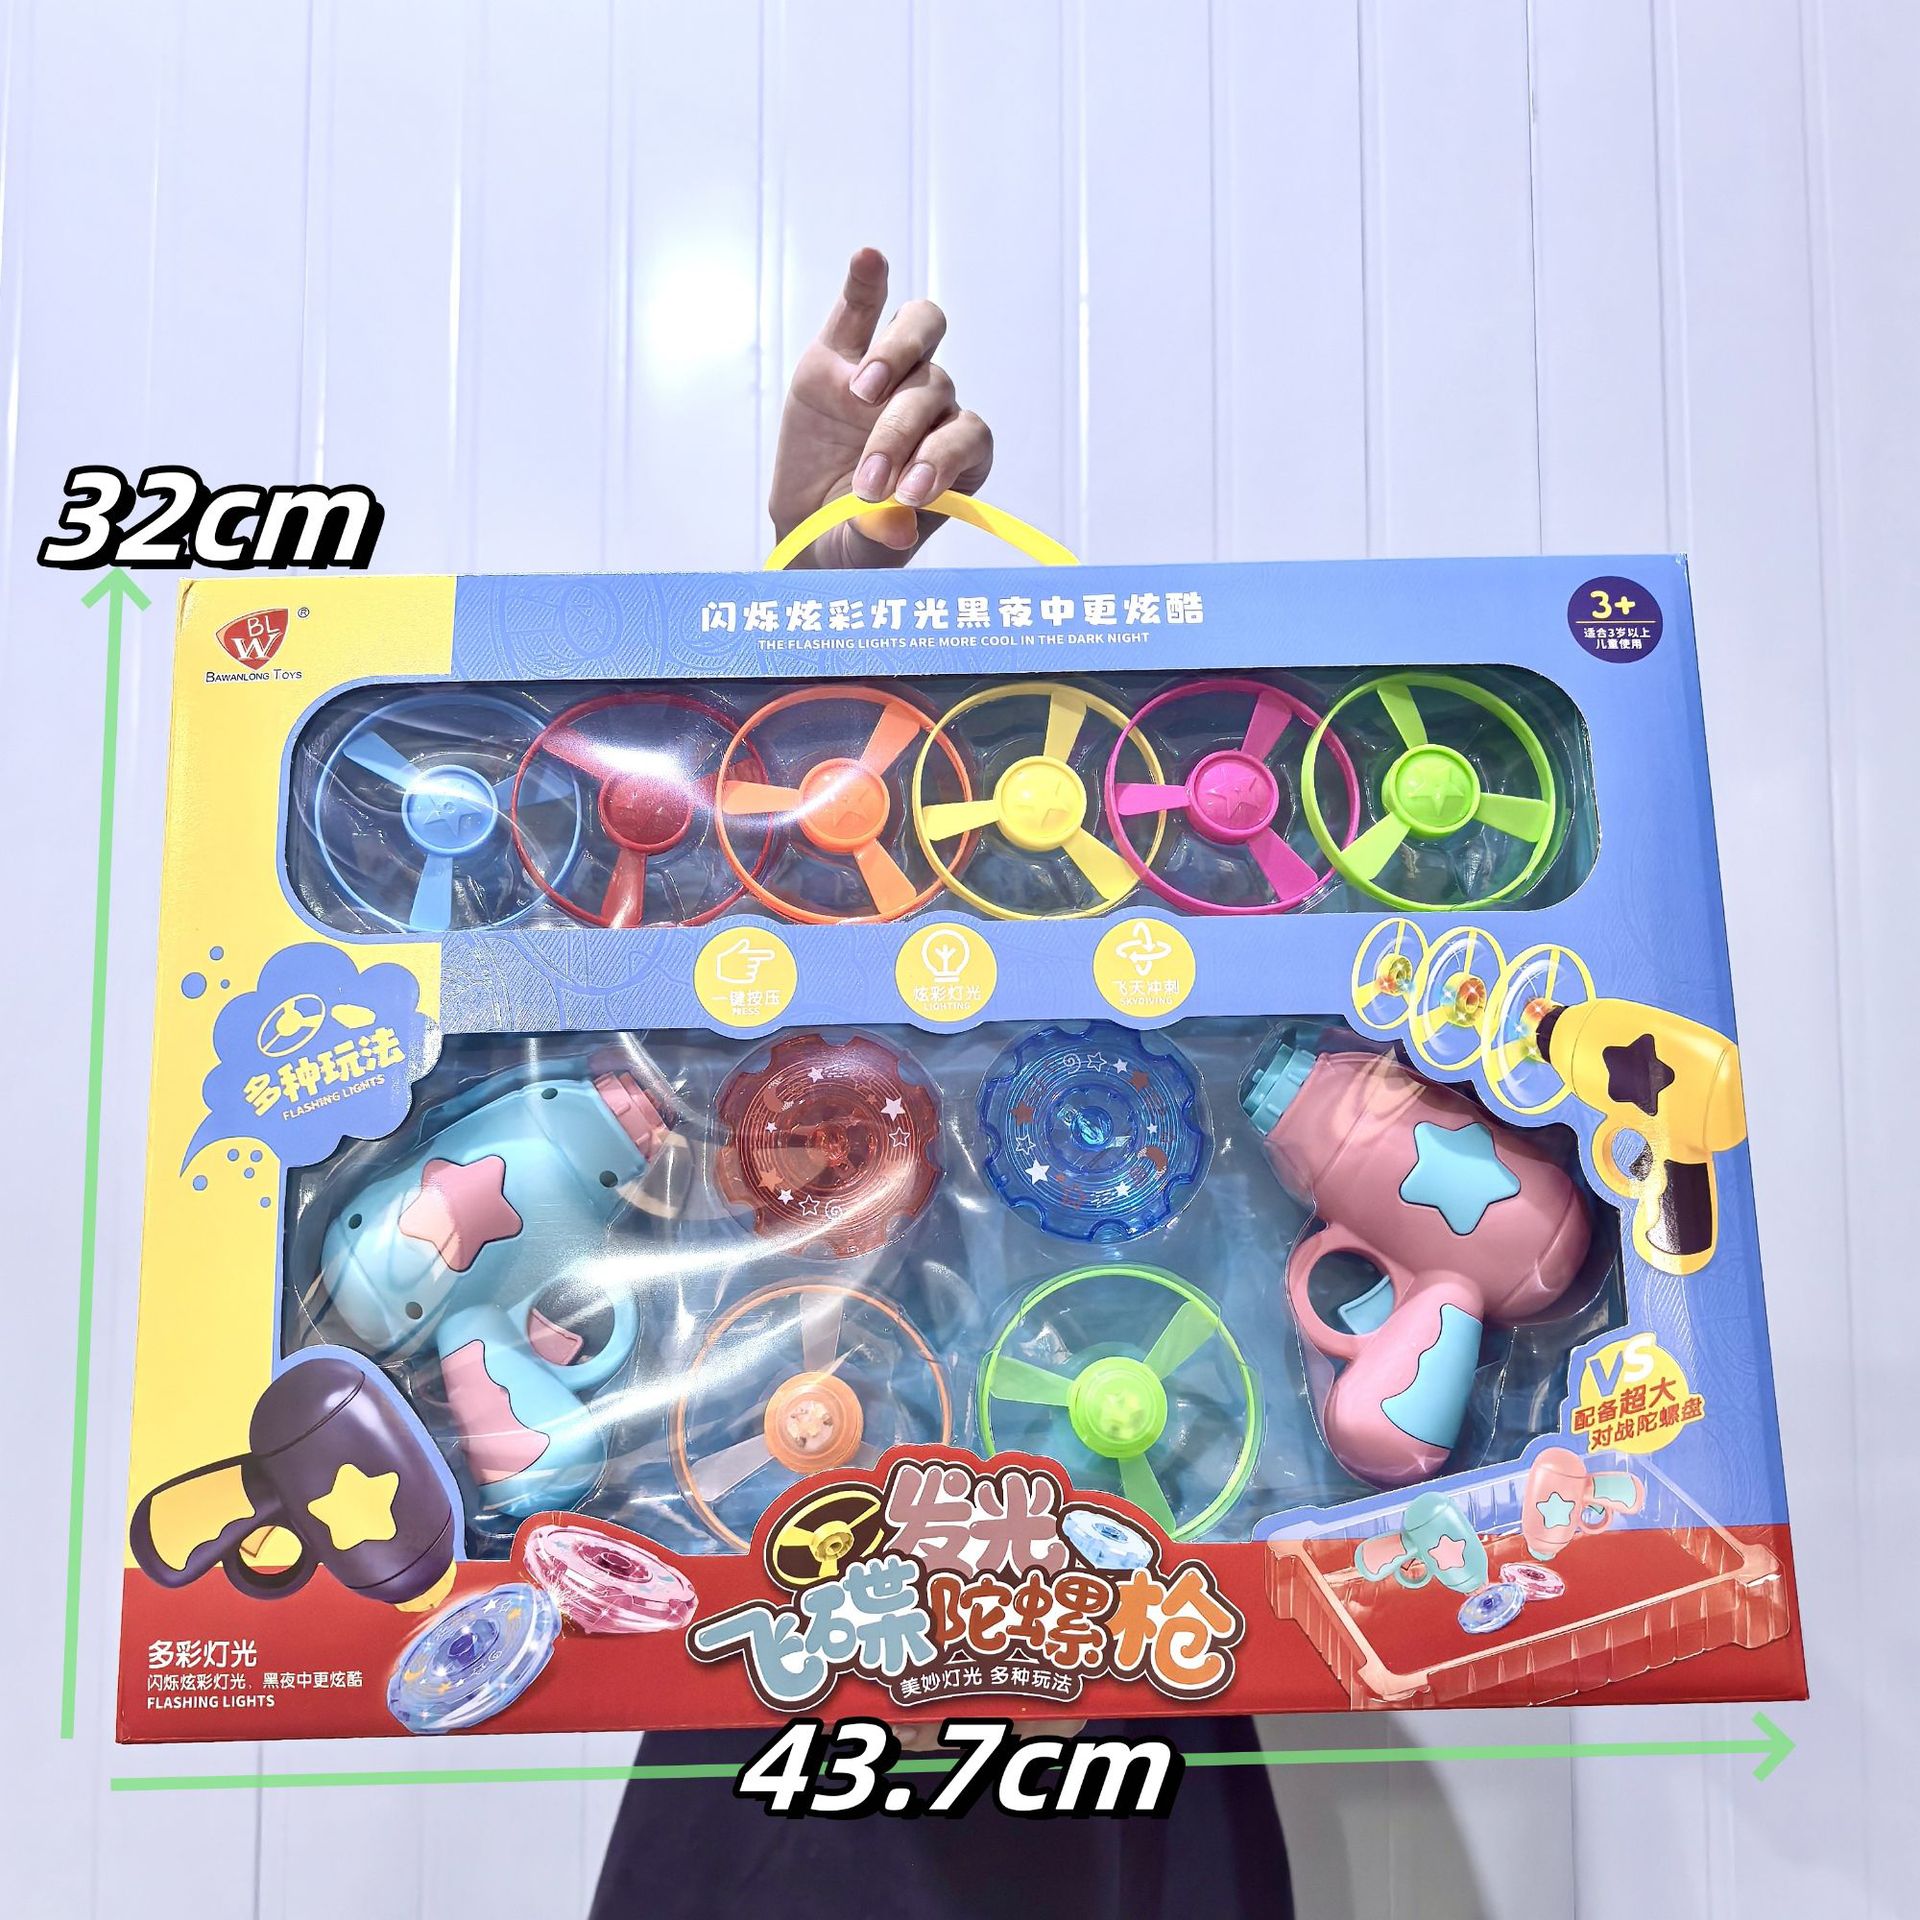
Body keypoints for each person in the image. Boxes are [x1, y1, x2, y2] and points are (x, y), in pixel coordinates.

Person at [591, 251, 1294, 1920]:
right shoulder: (784, 1036)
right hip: (801, 1668)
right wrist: (810, 613)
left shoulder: (1155, 931)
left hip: (1127, 1643)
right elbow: (686, 999)